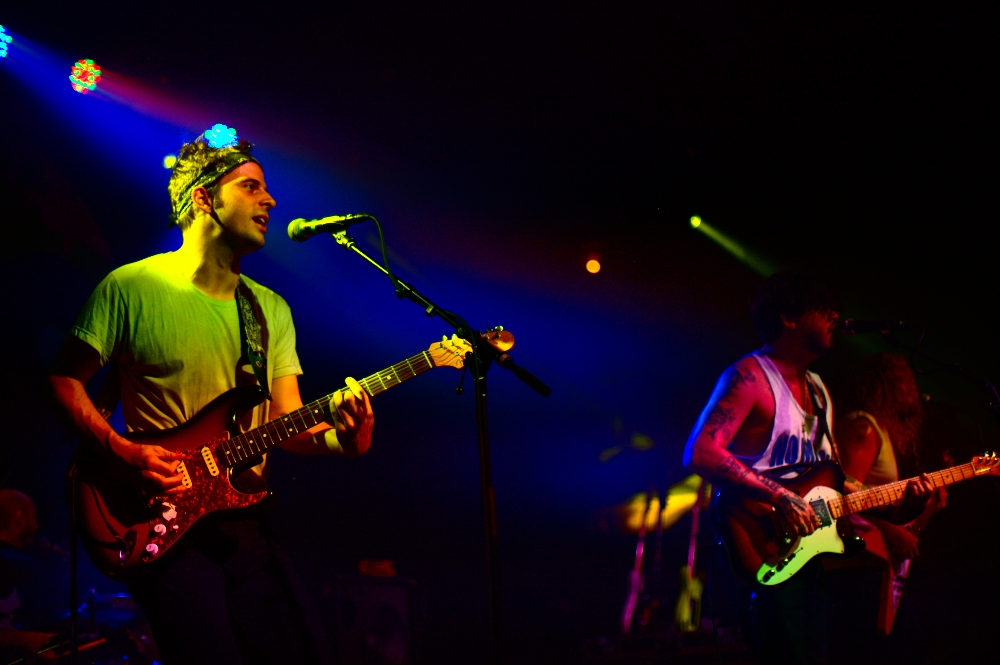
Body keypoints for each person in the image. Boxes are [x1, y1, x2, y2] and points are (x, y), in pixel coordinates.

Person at [49, 133, 374, 664]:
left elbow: (287, 422)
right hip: (163, 518)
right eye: (251, 187)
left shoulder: (270, 310)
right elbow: (62, 381)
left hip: (245, 524)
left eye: (267, 190)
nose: (269, 201)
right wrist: (122, 451)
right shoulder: (130, 287)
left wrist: (347, 442)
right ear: (204, 198)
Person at [682, 272, 929, 664]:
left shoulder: (818, 389)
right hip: (760, 543)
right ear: (789, 317)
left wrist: (900, 503)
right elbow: (701, 451)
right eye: (822, 308)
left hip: (809, 559)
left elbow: (834, 481)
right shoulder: (750, 377)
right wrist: (779, 496)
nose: (835, 316)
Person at [0, 489, 58, 661]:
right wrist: (26, 640)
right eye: (33, 517)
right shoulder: (12, 565)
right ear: (19, 520)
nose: (36, 526)